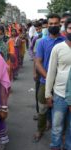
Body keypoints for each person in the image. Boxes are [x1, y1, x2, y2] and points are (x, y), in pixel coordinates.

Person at [34, 13, 65, 142]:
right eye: (50, 24)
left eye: (55, 24)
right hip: (44, 81)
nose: (53, 26)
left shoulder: (65, 42)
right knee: (42, 107)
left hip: (62, 84)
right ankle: (40, 129)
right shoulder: (42, 42)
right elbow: (38, 62)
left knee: (61, 109)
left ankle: (61, 133)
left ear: (60, 24)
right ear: (47, 25)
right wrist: (49, 78)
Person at [45, 17, 71, 150]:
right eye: (70, 28)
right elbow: (51, 72)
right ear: (65, 30)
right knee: (57, 126)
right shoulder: (58, 48)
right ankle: (55, 146)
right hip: (60, 95)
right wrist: (48, 94)